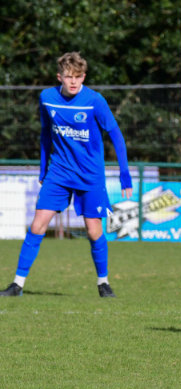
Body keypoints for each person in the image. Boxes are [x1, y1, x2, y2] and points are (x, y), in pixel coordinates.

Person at [1, 52, 133, 298]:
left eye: (78, 77)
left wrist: (124, 173)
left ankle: (103, 282)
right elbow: (45, 133)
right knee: (37, 225)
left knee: (93, 231)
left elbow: (116, 135)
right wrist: (43, 167)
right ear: (59, 76)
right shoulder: (47, 97)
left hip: (90, 174)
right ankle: (17, 284)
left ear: (84, 76)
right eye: (69, 77)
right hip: (59, 172)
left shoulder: (95, 101)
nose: (74, 82)